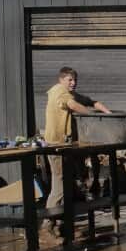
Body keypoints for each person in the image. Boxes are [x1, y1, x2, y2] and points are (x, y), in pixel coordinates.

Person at [43, 67, 110, 234]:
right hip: (56, 145)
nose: (73, 83)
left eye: (75, 80)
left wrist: (107, 113)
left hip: (67, 145)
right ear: (61, 80)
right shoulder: (59, 92)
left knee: (69, 183)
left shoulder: (70, 92)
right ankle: (47, 224)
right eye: (70, 80)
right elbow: (72, 105)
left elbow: (90, 101)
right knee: (59, 183)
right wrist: (92, 117)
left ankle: (60, 223)